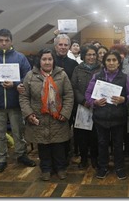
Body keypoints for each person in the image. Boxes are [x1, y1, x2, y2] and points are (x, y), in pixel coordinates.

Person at [0, 28, 36, 173]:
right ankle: (1, 159)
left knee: (19, 132)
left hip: (15, 104)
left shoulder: (20, 58)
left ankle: (21, 155)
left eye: (6, 40)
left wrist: (15, 84)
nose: (4, 43)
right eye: (1, 40)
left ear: (11, 41)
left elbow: (28, 78)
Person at [19, 48, 74, 181]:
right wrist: (29, 114)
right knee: (43, 146)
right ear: (40, 61)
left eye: (50, 59)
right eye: (44, 59)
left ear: (53, 61)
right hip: (38, 118)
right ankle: (46, 169)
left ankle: (60, 168)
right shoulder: (30, 76)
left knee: (58, 146)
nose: (47, 62)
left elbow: (69, 95)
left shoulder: (62, 75)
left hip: (58, 117)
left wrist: (65, 113)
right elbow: (24, 97)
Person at [85, 51, 129, 180]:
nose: (111, 63)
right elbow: (88, 94)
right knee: (102, 143)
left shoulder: (125, 77)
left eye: (114, 60)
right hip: (100, 118)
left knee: (118, 144)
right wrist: (93, 102)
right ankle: (103, 167)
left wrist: (124, 99)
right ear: (104, 62)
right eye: (108, 60)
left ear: (119, 62)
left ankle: (119, 167)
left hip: (118, 118)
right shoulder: (97, 76)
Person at [71, 45, 101, 170]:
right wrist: (83, 101)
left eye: (94, 54)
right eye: (89, 54)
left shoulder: (101, 68)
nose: (91, 57)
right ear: (84, 56)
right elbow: (73, 87)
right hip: (82, 107)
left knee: (96, 135)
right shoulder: (77, 69)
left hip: (98, 106)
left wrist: (95, 101)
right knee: (82, 135)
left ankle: (94, 158)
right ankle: (83, 159)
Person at [53, 34, 79, 163]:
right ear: (55, 46)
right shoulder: (49, 61)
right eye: (60, 45)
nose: (63, 47)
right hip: (52, 101)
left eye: (65, 45)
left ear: (69, 47)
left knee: (67, 129)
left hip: (69, 102)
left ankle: (66, 154)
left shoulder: (73, 63)